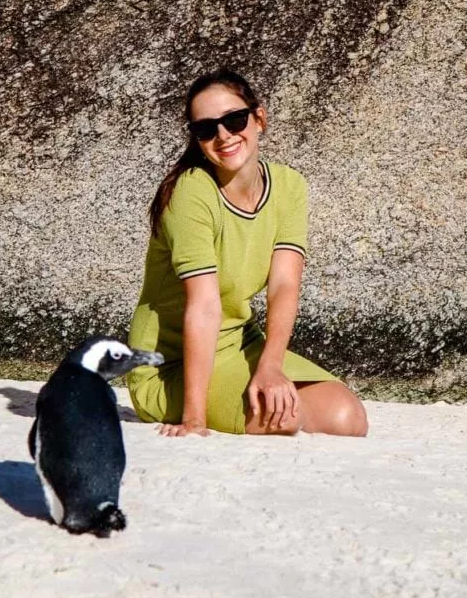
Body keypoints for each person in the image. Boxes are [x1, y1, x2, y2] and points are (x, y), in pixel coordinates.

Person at [127, 67, 368, 438]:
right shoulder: (190, 194)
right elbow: (204, 306)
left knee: (346, 417)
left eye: (234, 120)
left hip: (241, 342)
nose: (223, 135)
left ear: (259, 119)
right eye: (206, 129)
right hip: (172, 365)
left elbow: (284, 284)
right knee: (284, 417)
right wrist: (194, 418)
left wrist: (269, 365)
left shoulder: (288, 186)